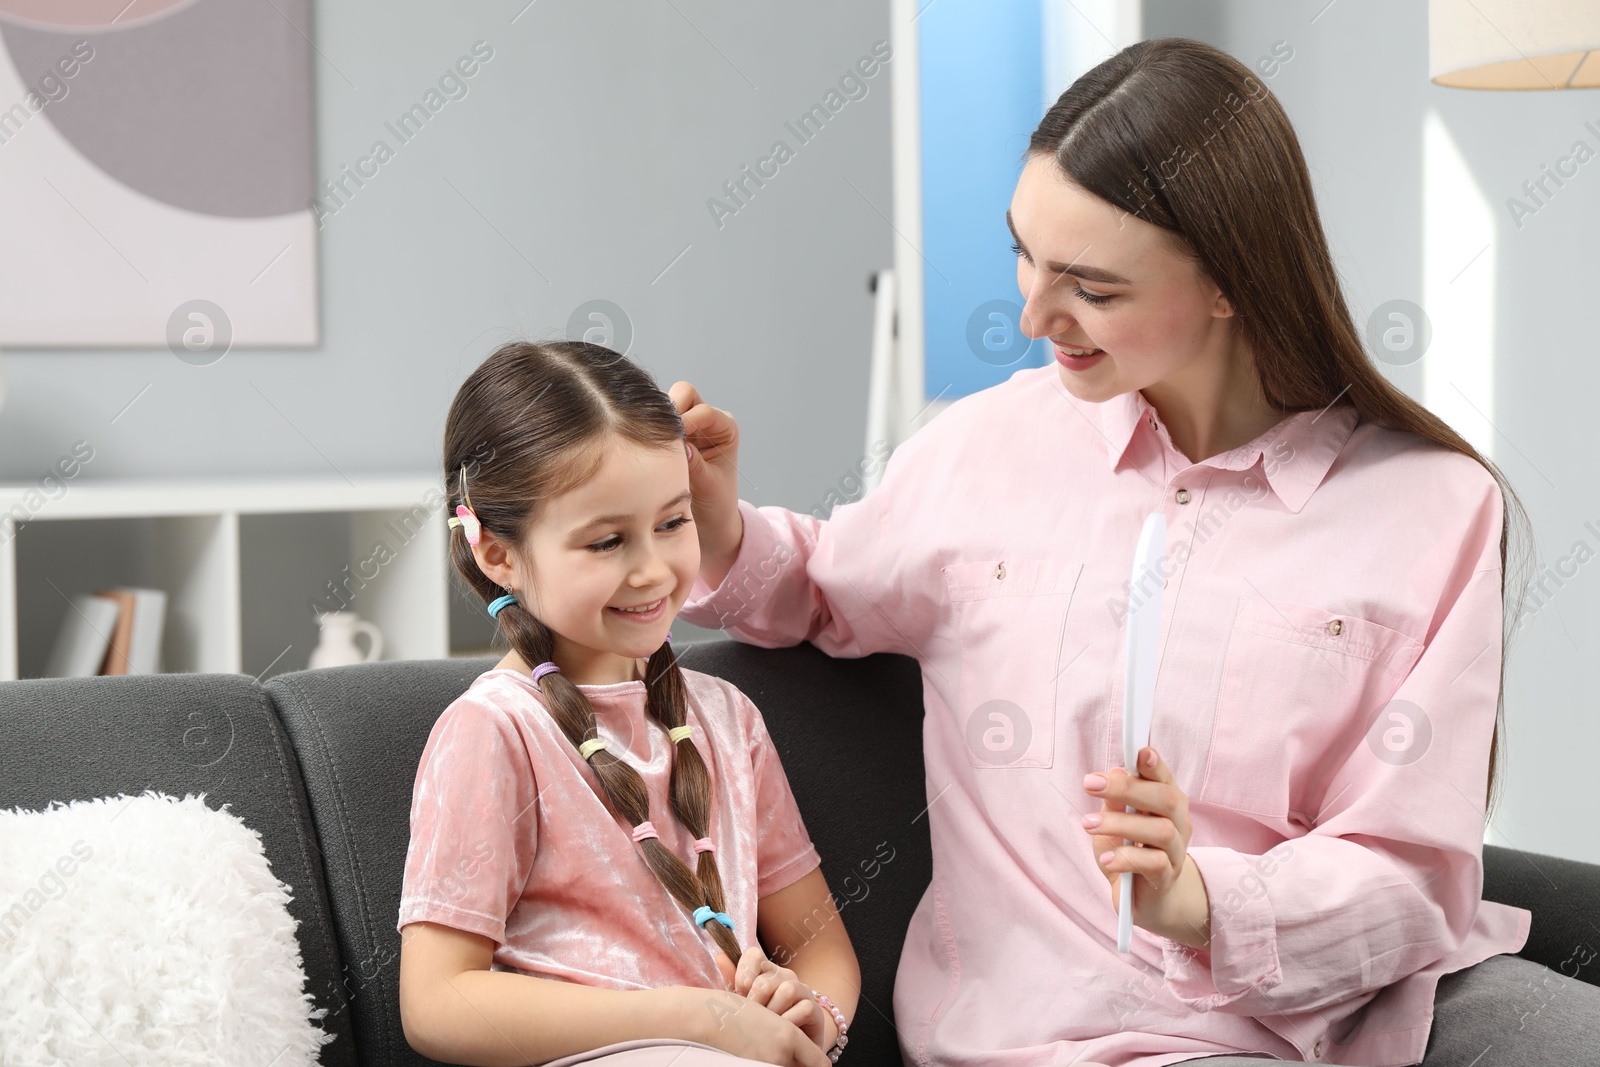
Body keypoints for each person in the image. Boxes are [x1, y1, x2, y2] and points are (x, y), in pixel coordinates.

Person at [667, 36, 1600, 1067]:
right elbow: (825, 583)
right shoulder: (990, 445)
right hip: (1007, 1041)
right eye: (1023, 253)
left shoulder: (1432, 507)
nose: (1029, 314)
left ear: (1229, 282)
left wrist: (1205, 898)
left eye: (1091, 288)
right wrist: (710, 520)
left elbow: (1415, 873)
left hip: (1269, 1042)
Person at [396, 340, 859, 1067]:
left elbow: (821, 945)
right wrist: (696, 1016)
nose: (650, 569)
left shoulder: (728, 719)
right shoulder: (495, 731)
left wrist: (816, 1014)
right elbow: (436, 1000)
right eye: (608, 540)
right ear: (495, 552)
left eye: (672, 523)